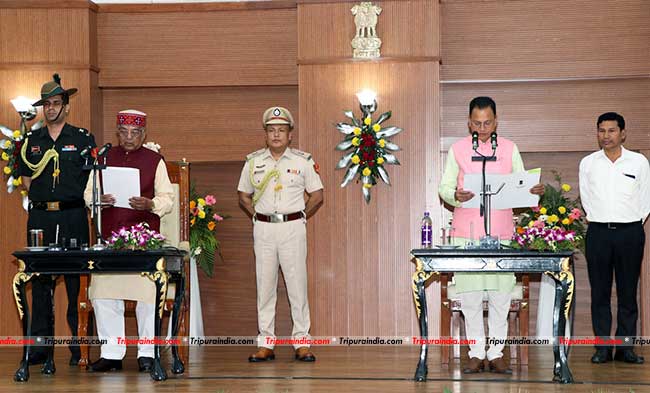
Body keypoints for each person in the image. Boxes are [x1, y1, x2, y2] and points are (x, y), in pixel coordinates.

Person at [438, 96, 544, 374]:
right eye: (476, 123)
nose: (482, 128)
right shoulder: (458, 149)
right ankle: (475, 353)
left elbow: (521, 182)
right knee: (471, 295)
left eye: (487, 123)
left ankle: (496, 353)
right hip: (467, 232)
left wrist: (533, 190)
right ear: (469, 122)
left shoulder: (509, 148)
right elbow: (444, 187)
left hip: (502, 232)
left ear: (496, 121)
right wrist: (455, 195)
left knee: (500, 296)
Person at [83, 109, 174, 372]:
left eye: (135, 133)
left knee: (147, 294)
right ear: (117, 133)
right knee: (104, 293)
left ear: (144, 134)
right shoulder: (103, 157)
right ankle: (112, 353)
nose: (129, 137)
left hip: (142, 239)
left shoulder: (154, 160)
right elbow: (88, 193)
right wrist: (99, 199)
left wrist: (150, 203)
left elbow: (167, 198)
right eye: (123, 132)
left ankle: (147, 352)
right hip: (109, 237)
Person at [18, 74, 96, 366]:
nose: (51, 109)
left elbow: (92, 180)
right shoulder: (31, 140)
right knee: (40, 283)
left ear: (66, 106)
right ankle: (39, 348)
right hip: (41, 216)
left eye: (56, 104)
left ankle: (80, 348)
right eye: (46, 105)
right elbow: (26, 178)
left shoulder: (82, 138)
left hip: (73, 214)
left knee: (77, 283)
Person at [237, 106, 323, 362]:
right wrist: (255, 214)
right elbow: (243, 195)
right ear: (265, 135)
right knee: (265, 286)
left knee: (297, 286)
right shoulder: (253, 162)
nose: (276, 135)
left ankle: (302, 343)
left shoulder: (302, 161)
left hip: (292, 227)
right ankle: (266, 343)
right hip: (263, 228)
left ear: (290, 135)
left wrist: (302, 214)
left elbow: (317, 195)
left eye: (281, 131)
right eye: (271, 130)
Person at [579, 112, 650, 365]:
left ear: (623, 133)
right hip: (598, 232)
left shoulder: (639, 162)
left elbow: (645, 200)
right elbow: (586, 198)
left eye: (611, 130)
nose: (606, 135)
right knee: (599, 293)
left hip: (629, 232)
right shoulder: (588, 163)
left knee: (628, 293)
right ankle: (602, 348)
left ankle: (625, 348)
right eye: (601, 130)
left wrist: (631, 223)